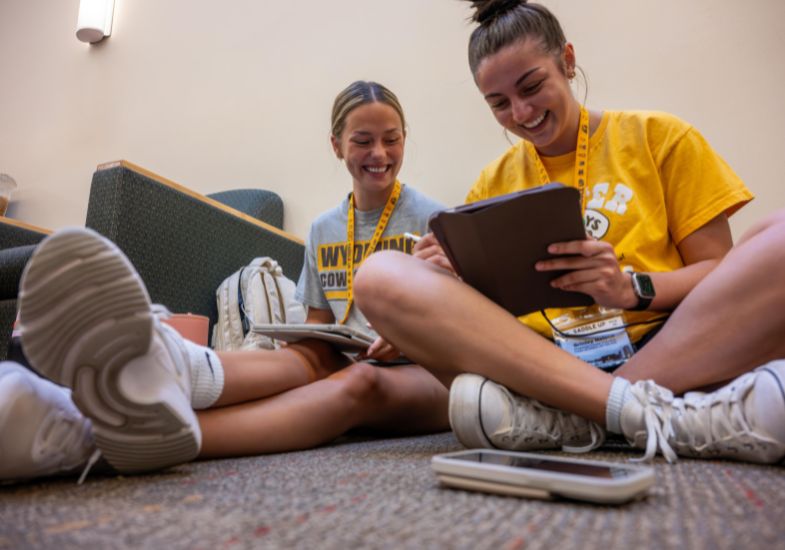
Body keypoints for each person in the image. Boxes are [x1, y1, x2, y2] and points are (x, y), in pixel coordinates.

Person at [352, 0, 785, 464]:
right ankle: (654, 414)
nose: (521, 112)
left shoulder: (661, 138)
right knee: (379, 275)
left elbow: (717, 272)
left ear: (568, 61)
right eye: (498, 103)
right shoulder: (491, 183)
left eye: (532, 86)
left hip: (667, 345)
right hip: (543, 364)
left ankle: (571, 419)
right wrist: (447, 284)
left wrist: (630, 287)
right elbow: (491, 316)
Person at [0, 80, 450, 481]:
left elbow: (458, 329)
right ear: (336, 145)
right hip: (353, 354)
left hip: (424, 371)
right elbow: (319, 325)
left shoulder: (433, 218)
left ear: (405, 139)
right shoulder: (323, 228)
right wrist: (315, 342)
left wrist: (411, 337)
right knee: (306, 359)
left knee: (359, 387)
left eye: (391, 140)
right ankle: (172, 368)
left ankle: (93, 438)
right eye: (363, 141)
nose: (379, 154)